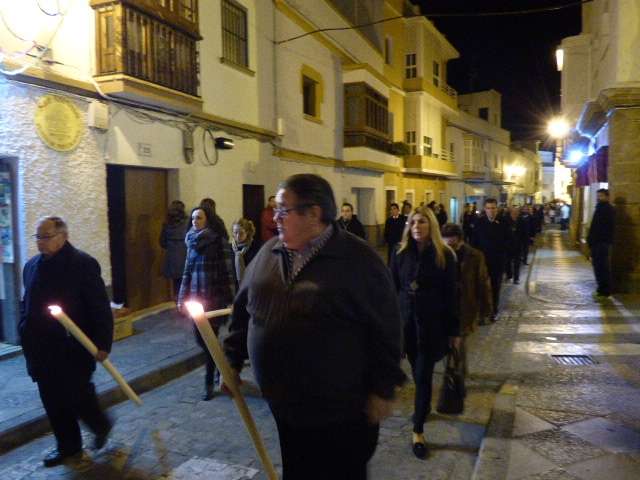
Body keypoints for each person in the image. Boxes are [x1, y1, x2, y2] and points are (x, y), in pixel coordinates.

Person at [223, 174, 405, 479]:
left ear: (314, 213)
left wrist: (382, 388)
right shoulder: (269, 252)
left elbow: (387, 328)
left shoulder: (358, 260)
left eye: (283, 210)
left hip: (340, 409)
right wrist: (231, 359)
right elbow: (243, 309)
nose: (275, 218)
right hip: (285, 404)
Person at [19, 217, 114, 467]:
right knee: (52, 399)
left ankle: (100, 425)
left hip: (72, 347)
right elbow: (26, 302)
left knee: (79, 395)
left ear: (63, 236)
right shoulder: (31, 266)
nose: (40, 242)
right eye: (38, 237)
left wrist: (102, 343)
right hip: (41, 349)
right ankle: (68, 446)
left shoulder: (82, 264)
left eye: (46, 236)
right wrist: (23, 328)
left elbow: (99, 307)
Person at [391, 206, 460, 459]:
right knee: (415, 370)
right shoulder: (400, 252)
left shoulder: (445, 255)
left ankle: (418, 430)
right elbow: (392, 288)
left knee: (422, 376)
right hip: (406, 325)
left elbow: (451, 295)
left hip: (431, 327)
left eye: (422, 222)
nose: (416, 226)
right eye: (413, 222)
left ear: (431, 225)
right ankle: (424, 405)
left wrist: (454, 331)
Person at [178, 205, 234, 401]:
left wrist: (231, 300)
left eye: (199, 218)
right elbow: (187, 272)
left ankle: (209, 384)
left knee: (210, 341)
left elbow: (228, 272)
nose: (195, 221)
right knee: (202, 340)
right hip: (196, 299)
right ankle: (222, 364)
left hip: (214, 299)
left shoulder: (219, 242)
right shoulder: (191, 242)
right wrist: (181, 298)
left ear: (207, 220)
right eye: (193, 218)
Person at [441, 223, 492, 373]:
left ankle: (458, 370)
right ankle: (454, 367)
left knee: (460, 338)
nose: (448, 242)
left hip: (465, 303)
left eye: (451, 238)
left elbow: (483, 282)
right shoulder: (440, 254)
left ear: (459, 238)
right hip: (445, 304)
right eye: (445, 238)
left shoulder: (475, 256)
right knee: (448, 338)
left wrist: (486, 308)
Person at [472, 198, 509, 321]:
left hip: (497, 261)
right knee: (481, 286)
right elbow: (474, 242)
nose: (491, 211)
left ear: (497, 209)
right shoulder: (479, 222)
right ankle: (482, 313)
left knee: (495, 287)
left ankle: (493, 311)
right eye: (488, 208)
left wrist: (504, 256)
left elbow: (509, 241)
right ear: (485, 209)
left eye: (493, 208)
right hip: (482, 261)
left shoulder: (503, 222)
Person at [587, 189, 615, 300]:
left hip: (601, 242)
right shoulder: (599, 208)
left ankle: (605, 291)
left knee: (602, 267)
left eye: (601, 196)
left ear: (607, 197)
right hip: (597, 242)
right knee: (598, 267)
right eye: (598, 196)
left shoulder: (608, 209)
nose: (599, 198)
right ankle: (601, 289)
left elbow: (605, 228)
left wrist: (597, 240)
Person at [160, 200, 190, 299]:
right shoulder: (187, 223)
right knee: (187, 284)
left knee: (176, 284)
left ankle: (178, 302)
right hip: (185, 255)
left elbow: (162, 242)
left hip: (172, 258)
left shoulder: (167, 224)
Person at [231, 218, 261, 287]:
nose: (238, 236)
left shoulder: (256, 247)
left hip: (252, 285)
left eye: (241, 233)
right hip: (234, 287)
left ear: (247, 232)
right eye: (235, 232)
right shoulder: (229, 248)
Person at [504, 207, 527, 284]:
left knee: (517, 263)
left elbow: (524, 233)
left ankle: (516, 278)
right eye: (513, 212)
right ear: (511, 213)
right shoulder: (506, 221)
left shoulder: (522, 221)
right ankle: (509, 275)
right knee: (507, 262)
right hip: (508, 246)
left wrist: (524, 243)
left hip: (518, 245)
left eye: (516, 212)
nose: (515, 214)